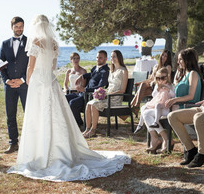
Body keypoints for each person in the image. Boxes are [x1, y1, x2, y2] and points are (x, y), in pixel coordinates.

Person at [7, 15, 130, 182]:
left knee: (38, 115)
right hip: (50, 81)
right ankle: (61, 150)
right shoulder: (54, 43)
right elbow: (53, 66)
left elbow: (31, 65)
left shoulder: (35, 40)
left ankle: (38, 152)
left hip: (38, 82)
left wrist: (28, 80)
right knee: (56, 114)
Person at [142, 48, 202, 154]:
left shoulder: (192, 74)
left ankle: (164, 139)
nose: (178, 62)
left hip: (186, 106)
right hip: (176, 105)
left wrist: (175, 99)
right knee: (146, 112)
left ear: (187, 60)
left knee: (148, 113)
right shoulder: (184, 74)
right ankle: (161, 138)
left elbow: (191, 96)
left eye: (180, 60)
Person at [0, 16, 29, 154]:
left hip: (25, 85)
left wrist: (22, 80)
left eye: (21, 26)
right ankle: (13, 143)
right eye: (16, 26)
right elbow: (1, 65)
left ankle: (30, 143)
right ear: (11, 27)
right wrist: (6, 80)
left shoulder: (30, 42)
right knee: (10, 115)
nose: (19, 29)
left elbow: (32, 65)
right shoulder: (5, 44)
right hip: (9, 86)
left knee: (28, 114)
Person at [83, 50, 128, 138]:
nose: (112, 58)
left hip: (115, 98)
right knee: (88, 104)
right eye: (111, 57)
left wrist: (108, 95)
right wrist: (101, 92)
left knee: (94, 104)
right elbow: (108, 87)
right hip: (107, 96)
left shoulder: (123, 71)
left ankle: (93, 130)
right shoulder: (112, 71)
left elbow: (122, 90)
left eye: (114, 56)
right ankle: (87, 129)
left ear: (119, 57)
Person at [66, 50, 109, 126]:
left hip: (90, 96)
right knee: (64, 98)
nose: (98, 59)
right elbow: (92, 74)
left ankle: (79, 123)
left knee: (73, 103)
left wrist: (85, 89)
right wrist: (82, 76)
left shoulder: (105, 71)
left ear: (105, 59)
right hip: (83, 94)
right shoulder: (95, 68)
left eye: (100, 58)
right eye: (97, 57)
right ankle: (69, 122)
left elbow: (100, 86)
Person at [134, 67, 175, 138]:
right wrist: (158, 89)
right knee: (143, 108)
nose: (160, 80)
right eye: (158, 78)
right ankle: (140, 125)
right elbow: (154, 95)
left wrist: (168, 90)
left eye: (163, 78)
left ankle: (156, 126)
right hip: (158, 106)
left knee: (148, 112)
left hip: (166, 107)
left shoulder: (170, 86)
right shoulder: (157, 85)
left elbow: (173, 95)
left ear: (167, 77)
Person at [130, 50, 172, 116]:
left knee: (141, 90)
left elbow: (166, 80)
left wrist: (155, 82)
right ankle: (135, 106)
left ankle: (133, 106)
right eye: (163, 55)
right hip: (153, 86)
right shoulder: (156, 66)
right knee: (141, 88)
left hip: (160, 88)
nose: (163, 57)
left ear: (168, 58)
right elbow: (150, 79)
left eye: (165, 56)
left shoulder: (167, 67)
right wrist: (140, 82)